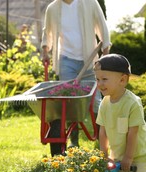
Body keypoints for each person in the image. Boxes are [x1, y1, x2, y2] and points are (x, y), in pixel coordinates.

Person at [41, 0, 111, 156]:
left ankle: (103, 143)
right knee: (69, 104)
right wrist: (45, 51)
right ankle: (73, 141)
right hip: (66, 61)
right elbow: (48, 34)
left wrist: (105, 56)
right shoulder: (53, 8)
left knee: (96, 103)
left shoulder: (89, 3)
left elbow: (102, 28)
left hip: (90, 60)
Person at [94, 54, 146, 172]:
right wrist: (104, 153)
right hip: (117, 152)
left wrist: (129, 157)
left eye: (104, 79)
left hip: (138, 152)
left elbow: (133, 133)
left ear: (122, 80)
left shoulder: (133, 103)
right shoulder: (104, 103)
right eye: (97, 79)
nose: (100, 84)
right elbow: (103, 131)